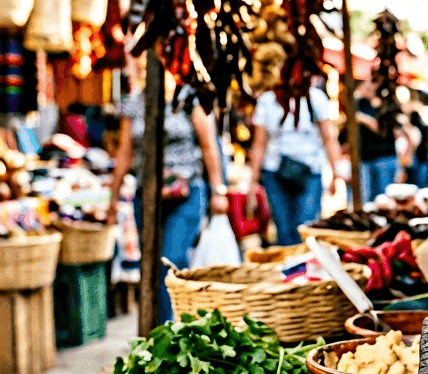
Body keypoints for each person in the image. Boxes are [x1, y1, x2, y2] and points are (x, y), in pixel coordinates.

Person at [107, 65, 229, 325]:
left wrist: (218, 190)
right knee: (150, 269)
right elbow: (125, 151)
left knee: (172, 259)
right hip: (147, 197)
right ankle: (158, 332)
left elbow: (209, 146)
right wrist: (113, 199)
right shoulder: (135, 102)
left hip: (186, 194)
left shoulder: (188, 99)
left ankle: (178, 326)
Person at [248, 84, 343, 247]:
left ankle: (304, 269)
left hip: (309, 171)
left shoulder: (316, 98)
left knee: (306, 229)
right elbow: (259, 144)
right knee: (284, 230)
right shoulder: (268, 100)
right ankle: (291, 271)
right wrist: (252, 183)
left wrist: (336, 173)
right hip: (275, 172)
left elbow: (329, 138)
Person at [355, 77, 408, 202]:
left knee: (384, 199)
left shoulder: (388, 104)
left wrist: (365, 120)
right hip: (365, 159)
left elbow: (388, 131)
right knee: (367, 200)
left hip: (385, 158)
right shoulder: (360, 104)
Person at [402, 110, 428, 189]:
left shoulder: (412, 130)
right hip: (424, 157)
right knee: (422, 184)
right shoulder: (425, 128)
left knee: (414, 183)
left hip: (415, 158)